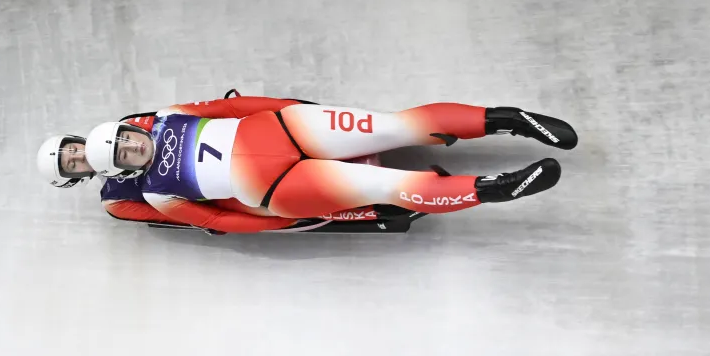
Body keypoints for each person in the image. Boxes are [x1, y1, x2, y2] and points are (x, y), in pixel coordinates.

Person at [44, 92, 576, 234]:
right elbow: (216, 219)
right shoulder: (155, 194)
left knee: (395, 125)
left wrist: (285, 105)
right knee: (381, 184)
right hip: (277, 183)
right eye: (121, 156)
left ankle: (511, 118)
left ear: (131, 128)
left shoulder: (163, 115)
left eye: (126, 139)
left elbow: (230, 108)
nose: (132, 147)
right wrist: (279, 222)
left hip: (282, 127)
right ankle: (494, 188)